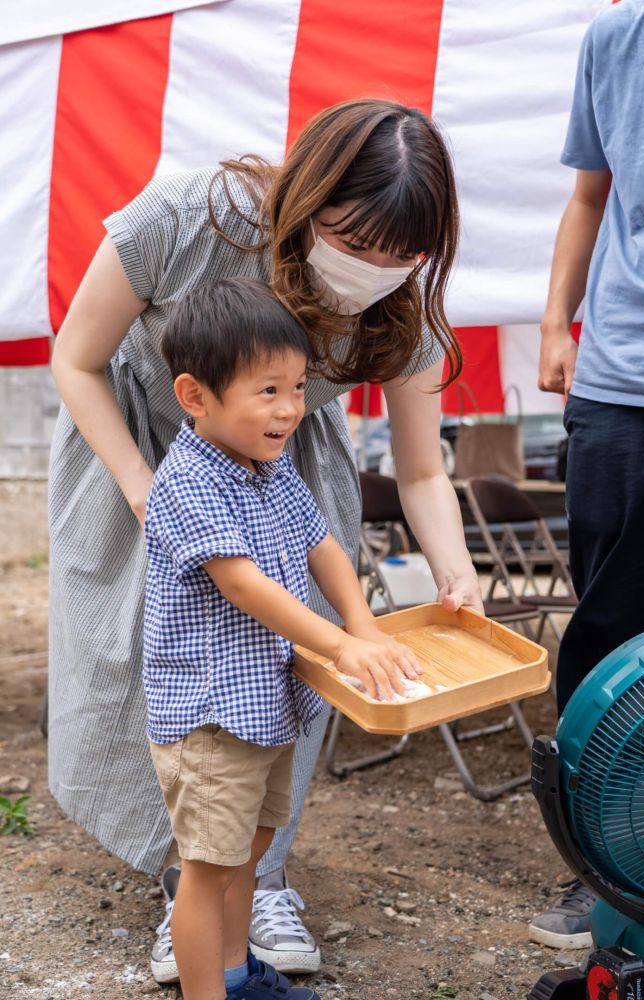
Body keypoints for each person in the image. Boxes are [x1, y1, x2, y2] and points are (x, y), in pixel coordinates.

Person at [49, 97, 483, 984]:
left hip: (278, 468)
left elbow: (422, 469)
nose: (373, 272)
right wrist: (144, 492)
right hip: (142, 444)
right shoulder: (185, 216)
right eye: (354, 244)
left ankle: (258, 876)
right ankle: (189, 888)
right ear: (306, 197)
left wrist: (453, 571)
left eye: (399, 258)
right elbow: (75, 358)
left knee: (276, 675)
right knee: (155, 665)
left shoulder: (397, 308)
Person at [145, 278, 423, 999]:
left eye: (297, 387)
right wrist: (339, 647)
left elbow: (322, 546)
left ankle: (238, 976)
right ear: (195, 395)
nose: (290, 409)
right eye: (267, 390)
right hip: (209, 716)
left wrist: (360, 626)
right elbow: (241, 583)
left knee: (253, 848)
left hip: (263, 703)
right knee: (207, 869)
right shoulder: (187, 480)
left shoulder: (268, 468)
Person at [530, 0, 644, 951]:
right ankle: (601, 869)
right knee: (609, 636)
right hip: (622, 379)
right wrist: (553, 321)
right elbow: (590, 194)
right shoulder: (614, 38)